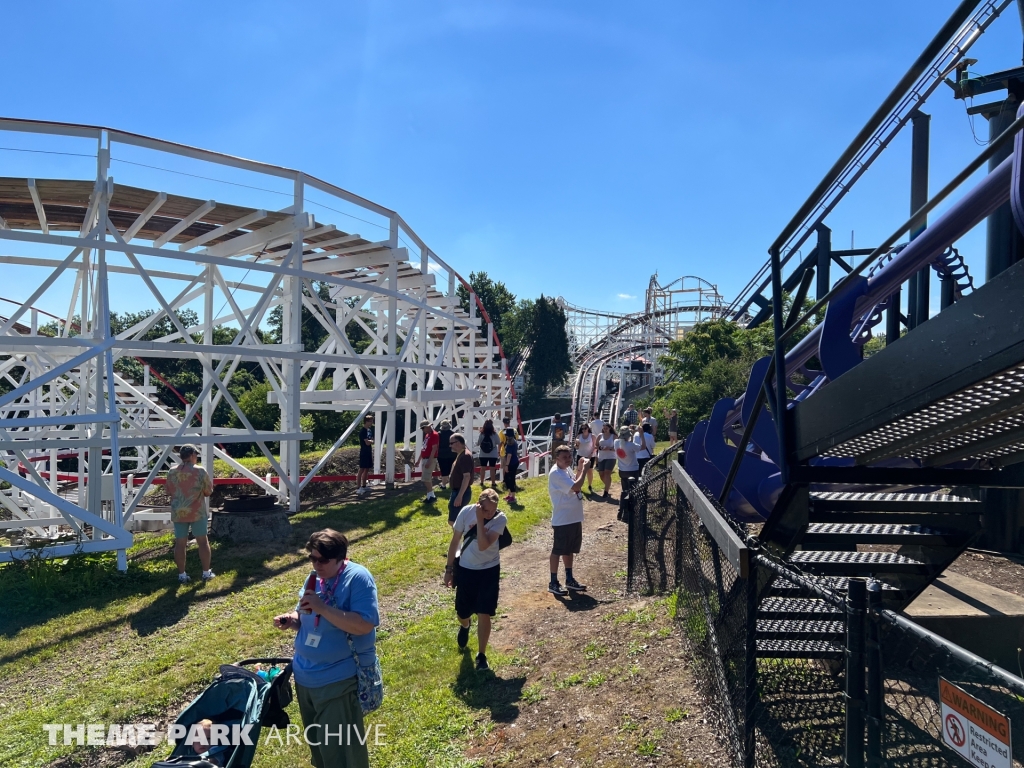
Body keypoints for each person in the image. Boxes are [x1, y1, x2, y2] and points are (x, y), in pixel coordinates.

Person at [273, 529, 379, 768]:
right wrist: (291, 619)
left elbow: (364, 624)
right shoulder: (314, 578)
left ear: (341, 557)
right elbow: (306, 615)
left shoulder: (358, 578)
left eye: (323, 560)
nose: (316, 564)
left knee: (342, 752)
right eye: (312, 558)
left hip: (337, 680)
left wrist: (323, 608)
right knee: (320, 749)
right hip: (305, 678)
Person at [443, 488, 507, 671]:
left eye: (493, 509)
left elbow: (483, 545)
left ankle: (481, 655)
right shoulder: (466, 512)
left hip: (489, 570)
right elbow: (455, 541)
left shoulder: (500, 519)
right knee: (462, 612)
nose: (490, 513)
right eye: (486, 510)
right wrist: (449, 570)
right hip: (466, 569)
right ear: (478, 505)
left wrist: (481, 519)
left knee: (484, 611)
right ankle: (465, 625)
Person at [167, 444, 214, 584]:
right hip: (196, 511)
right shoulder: (200, 471)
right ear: (193, 455)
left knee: (180, 544)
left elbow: (168, 491)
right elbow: (208, 491)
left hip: (179, 512)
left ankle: (182, 574)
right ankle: (206, 573)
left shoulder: (172, 471)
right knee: (203, 542)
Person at [546, 445, 588, 596]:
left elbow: (574, 480)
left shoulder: (566, 469)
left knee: (569, 549)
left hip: (573, 517)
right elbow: (577, 486)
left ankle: (569, 579)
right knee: (558, 550)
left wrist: (579, 467)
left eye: (569, 456)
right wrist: (585, 470)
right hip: (563, 519)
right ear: (556, 458)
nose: (568, 459)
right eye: (564, 457)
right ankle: (553, 582)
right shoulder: (556, 473)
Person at [447, 433, 474, 526]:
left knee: (454, 521)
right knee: (457, 520)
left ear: (458, 443)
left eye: (451, 443)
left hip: (461, 491)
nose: (450, 445)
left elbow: (467, 477)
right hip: (458, 491)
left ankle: (460, 538)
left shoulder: (465, 456)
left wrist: (459, 496)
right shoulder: (462, 454)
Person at [615, 426, 640, 496]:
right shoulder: (631, 445)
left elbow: (624, 443)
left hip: (622, 470)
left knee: (625, 489)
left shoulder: (616, 443)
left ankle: (625, 502)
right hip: (633, 470)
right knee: (634, 488)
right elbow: (642, 446)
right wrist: (641, 435)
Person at [419, 419, 439, 503]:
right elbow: (424, 448)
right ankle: (429, 497)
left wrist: (430, 461)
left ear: (427, 427)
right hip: (425, 458)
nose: (423, 430)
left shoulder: (434, 435)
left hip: (429, 458)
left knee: (426, 479)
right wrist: (418, 460)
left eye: (423, 428)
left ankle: (432, 495)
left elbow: (434, 448)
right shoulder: (427, 435)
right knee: (427, 479)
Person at [501, 419, 521, 504]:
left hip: (511, 463)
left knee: (510, 479)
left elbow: (509, 456)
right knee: (507, 478)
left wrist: (506, 466)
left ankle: (513, 496)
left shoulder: (509, 444)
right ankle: (510, 495)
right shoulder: (514, 441)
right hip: (515, 462)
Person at [596, 423, 617, 501]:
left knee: (607, 473)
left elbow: (617, 447)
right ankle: (607, 485)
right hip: (601, 457)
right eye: (604, 428)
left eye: (606, 428)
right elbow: (596, 445)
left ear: (609, 428)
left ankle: (606, 492)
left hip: (611, 457)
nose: (605, 429)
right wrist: (601, 447)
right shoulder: (600, 436)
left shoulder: (613, 436)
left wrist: (610, 449)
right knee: (601, 474)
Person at [477, 419, 500, 488]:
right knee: (492, 468)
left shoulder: (482, 434)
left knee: (483, 468)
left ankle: (481, 482)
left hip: (483, 454)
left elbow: (478, 443)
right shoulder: (494, 434)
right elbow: (498, 442)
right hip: (493, 454)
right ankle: (493, 483)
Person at [575, 424, 596, 495]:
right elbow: (576, 447)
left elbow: (595, 446)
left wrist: (591, 453)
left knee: (589, 471)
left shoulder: (592, 436)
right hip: (580, 455)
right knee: (579, 471)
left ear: (588, 428)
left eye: (585, 428)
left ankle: (590, 485)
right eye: (582, 429)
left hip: (590, 456)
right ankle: (578, 486)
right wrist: (576, 445)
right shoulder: (579, 436)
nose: (584, 430)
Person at [356, 414, 374, 497]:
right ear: (366, 421)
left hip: (369, 451)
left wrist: (370, 441)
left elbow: (372, 440)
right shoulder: (362, 431)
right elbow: (367, 443)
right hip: (363, 451)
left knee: (367, 468)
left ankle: (364, 485)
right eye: (370, 421)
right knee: (362, 469)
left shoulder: (369, 430)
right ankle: (358, 487)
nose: (371, 422)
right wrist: (370, 441)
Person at [436, 420, 455, 490]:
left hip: (441, 454)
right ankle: (452, 484)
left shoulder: (438, 434)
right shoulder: (453, 434)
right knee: (452, 469)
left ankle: (443, 485)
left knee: (443, 469)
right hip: (452, 453)